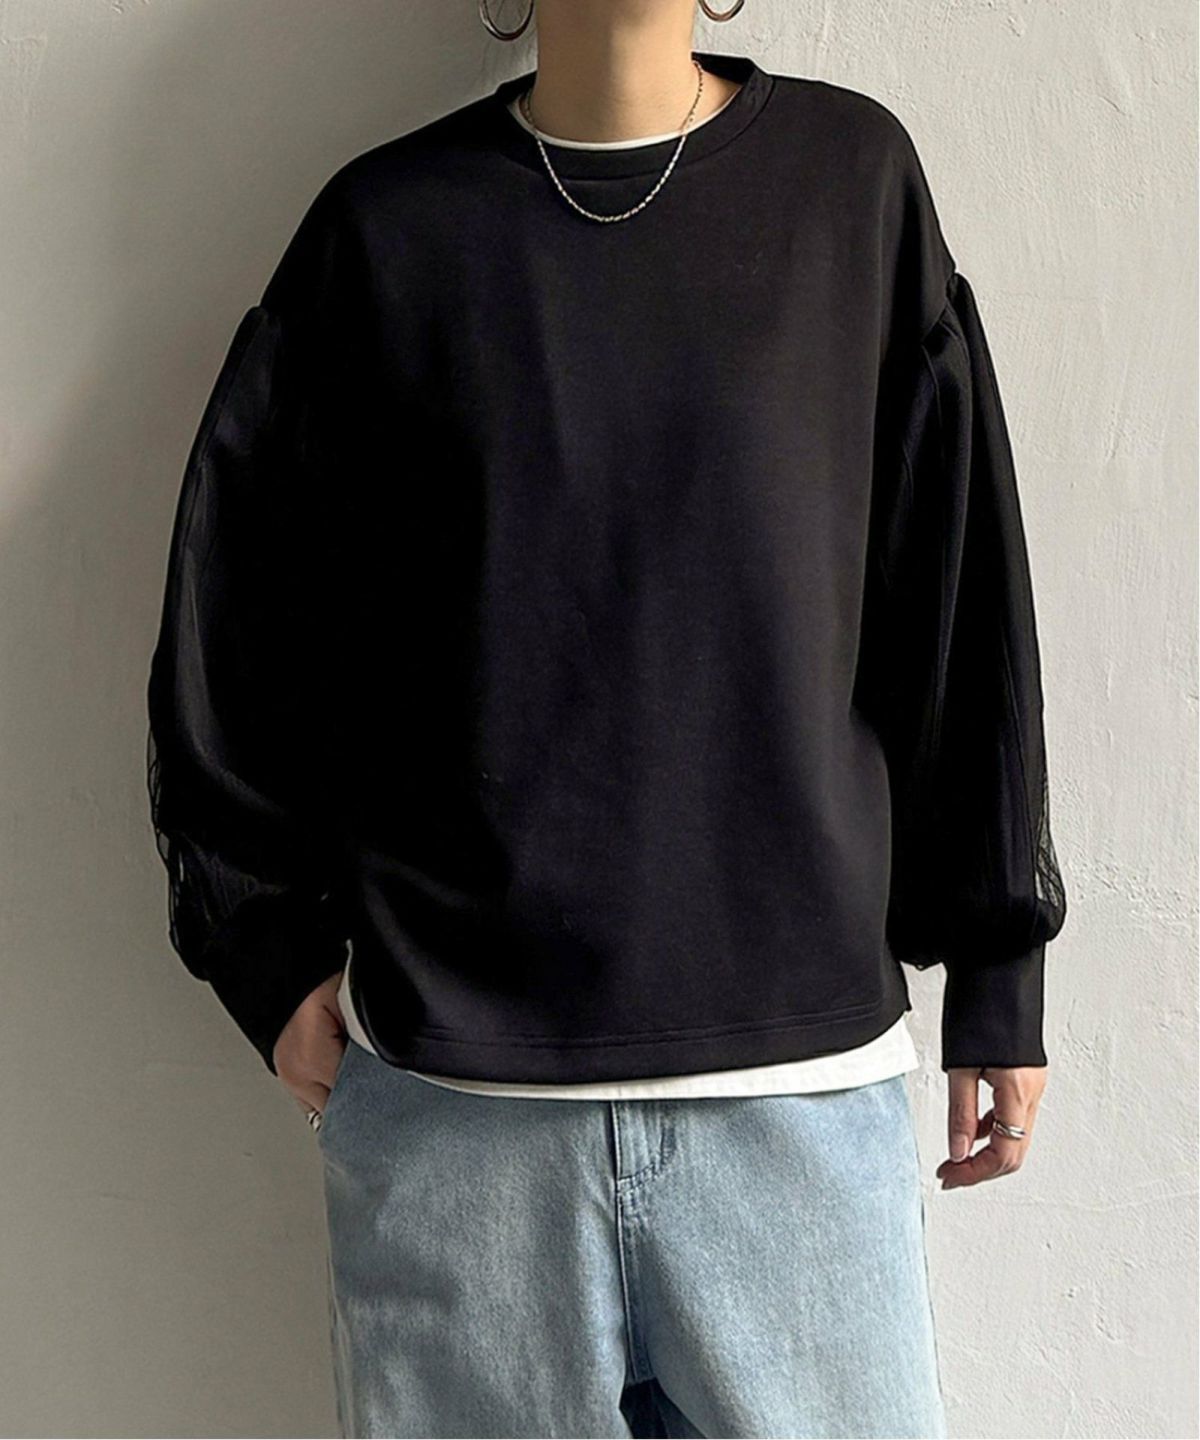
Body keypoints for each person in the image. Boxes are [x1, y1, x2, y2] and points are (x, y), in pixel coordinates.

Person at [145, 1, 1069, 1435]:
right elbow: (244, 602)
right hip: (458, 1118)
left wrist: (1000, 964)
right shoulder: (385, 232)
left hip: (795, 1102)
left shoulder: (849, 185)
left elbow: (954, 591)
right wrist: (260, 946)